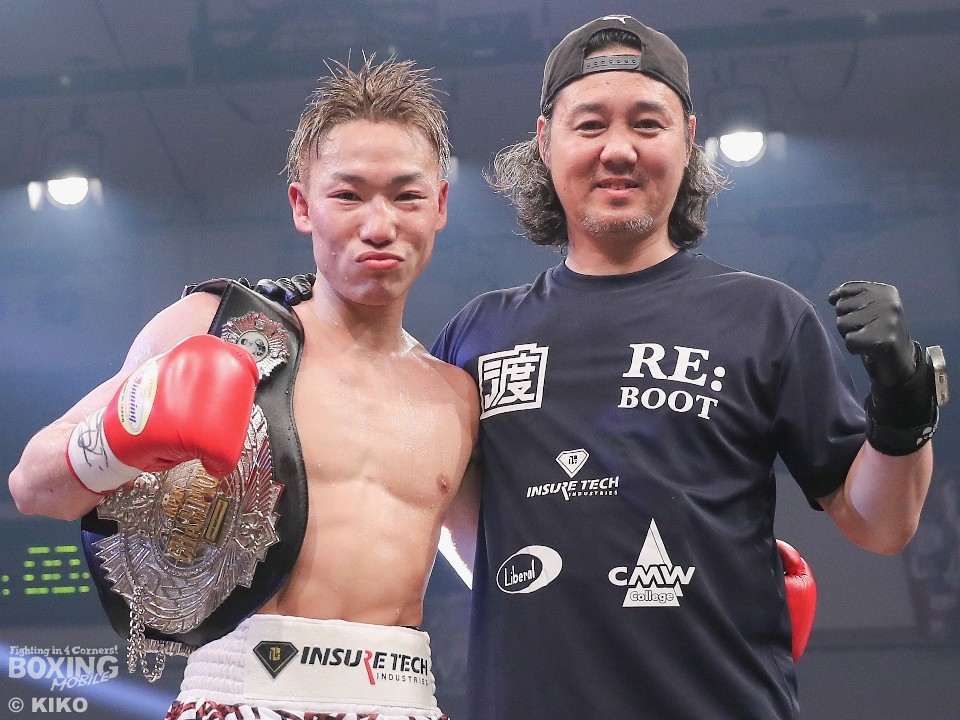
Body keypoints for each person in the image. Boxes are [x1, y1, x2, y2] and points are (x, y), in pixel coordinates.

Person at [427, 15, 944, 720]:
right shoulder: (476, 336)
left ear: (688, 138)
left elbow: (881, 525)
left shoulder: (766, 318)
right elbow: (431, 515)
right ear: (545, 141)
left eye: (647, 124)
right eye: (590, 125)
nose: (618, 149)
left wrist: (905, 400)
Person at [8, 56, 478, 720]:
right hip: (240, 692)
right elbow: (32, 486)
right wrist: (120, 438)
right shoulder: (216, 329)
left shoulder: (456, 396)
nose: (379, 225)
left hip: (403, 700)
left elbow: (497, 572)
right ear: (302, 206)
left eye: (406, 196)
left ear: (440, 206)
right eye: (348, 195)